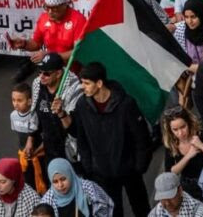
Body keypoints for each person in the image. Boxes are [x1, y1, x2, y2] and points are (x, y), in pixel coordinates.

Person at [57, 61, 151, 217]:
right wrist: (61, 114)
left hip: (129, 170)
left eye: (86, 83)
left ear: (99, 83)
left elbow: (141, 138)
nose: (82, 87)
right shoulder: (82, 105)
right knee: (112, 212)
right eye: (82, 83)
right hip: (102, 173)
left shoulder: (126, 104)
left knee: (141, 208)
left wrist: (139, 166)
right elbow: (76, 132)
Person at [161, 106, 203, 217]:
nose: (180, 133)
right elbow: (170, 173)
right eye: (175, 130)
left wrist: (202, 147)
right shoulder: (171, 145)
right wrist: (188, 156)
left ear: (189, 123)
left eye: (183, 127)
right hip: (190, 190)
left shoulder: (202, 136)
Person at [41, 159, 114, 217]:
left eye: (63, 179)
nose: (60, 185)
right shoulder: (48, 201)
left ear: (70, 175)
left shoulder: (87, 188)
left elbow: (105, 207)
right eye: (55, 182)